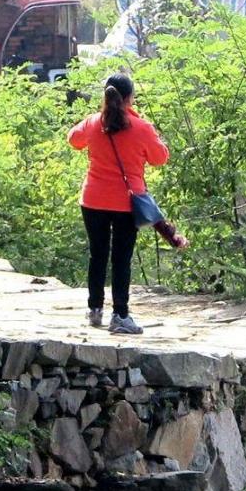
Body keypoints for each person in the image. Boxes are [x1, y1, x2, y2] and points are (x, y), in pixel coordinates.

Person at [70, 73, 183, 335]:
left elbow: (73, 140)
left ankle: (95, 309)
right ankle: (120, 315)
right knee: (122, 259)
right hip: (125, 203)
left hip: (93, 199)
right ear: (130, 98)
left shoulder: (94, 123)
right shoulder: (141, 128)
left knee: (97, 254)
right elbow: (160, 158)